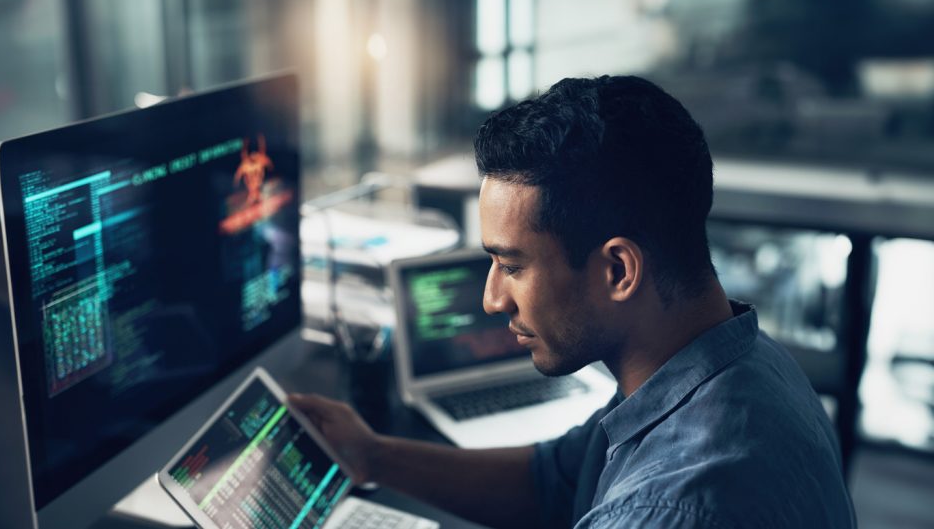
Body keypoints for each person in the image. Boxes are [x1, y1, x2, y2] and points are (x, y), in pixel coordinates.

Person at [289, 75, 856, 528]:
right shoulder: (743, 361)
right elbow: (551, 483)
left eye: (511, 266)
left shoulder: (669, 507)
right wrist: (373, 456)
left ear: (617, 270)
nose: (491, 299)